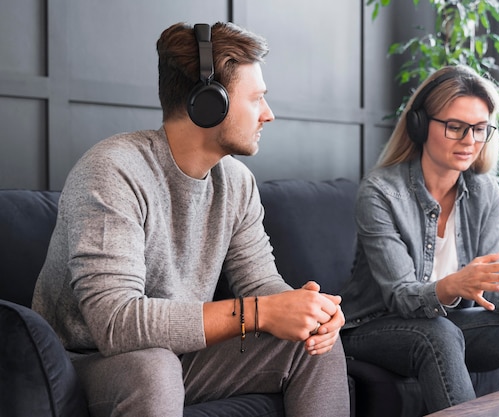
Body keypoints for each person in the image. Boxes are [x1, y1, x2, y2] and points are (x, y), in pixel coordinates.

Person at [32, 21, 349, 417]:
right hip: (88, 362)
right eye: (256, 99)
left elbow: (260, 283)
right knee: (154, 366)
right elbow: (114, 322)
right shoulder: (112, 170)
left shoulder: (236, 182)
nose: (268, 114)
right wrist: (261, 312)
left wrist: (306, 310)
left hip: (180, 354)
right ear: (209, 103)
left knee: (312, 344)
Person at [338, 65, 499, 413]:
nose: (469, 141)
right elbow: (400, 296)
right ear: (420, 125)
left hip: (443, 322)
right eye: (455, 127)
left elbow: (493, 285)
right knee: (439, 333)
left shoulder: (485, 191)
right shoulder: (382, 192)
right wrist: (452, 286)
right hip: (373, 326)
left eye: (479, 129)